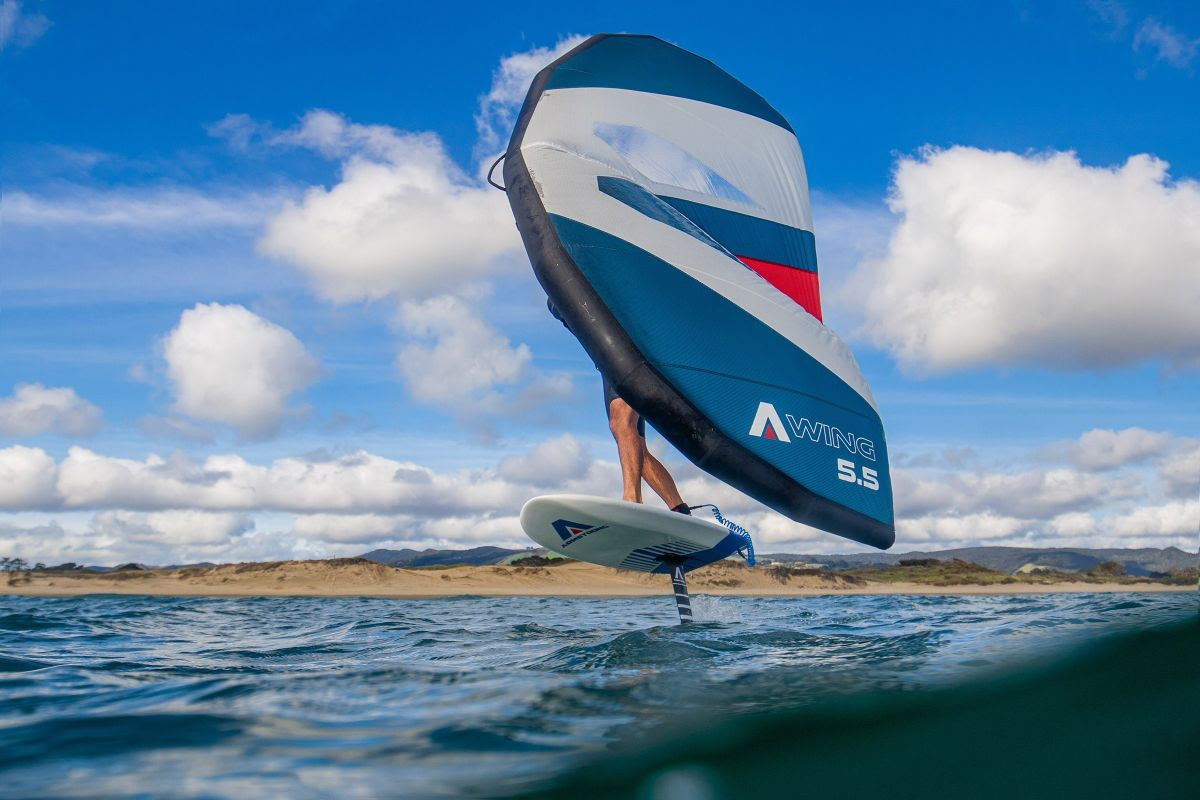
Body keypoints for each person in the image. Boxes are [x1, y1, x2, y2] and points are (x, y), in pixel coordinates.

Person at [549, 299, 691, 514]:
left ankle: (632, 501)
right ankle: (679, 508)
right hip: (609, 364)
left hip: (630, 353)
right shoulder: (557, 295)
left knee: (621, 423)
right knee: (634, 449)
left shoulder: (582, 276)